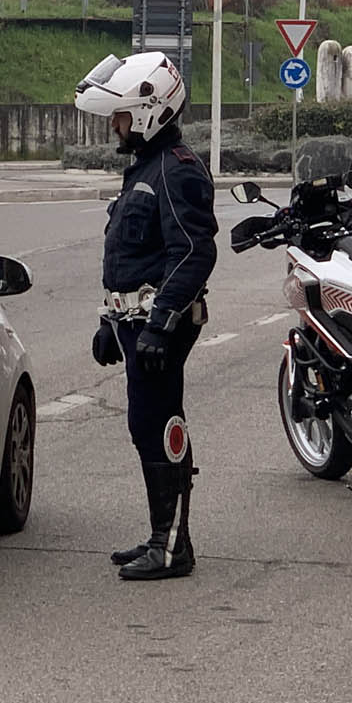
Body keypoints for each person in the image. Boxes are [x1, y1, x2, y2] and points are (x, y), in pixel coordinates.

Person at [74, 51, 218, 581]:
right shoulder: (146, 168)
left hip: (164, 327)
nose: (115, 125)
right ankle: (164, 535)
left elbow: (192, 253)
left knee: (158, 424)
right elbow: (133, 259)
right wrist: (111, 323)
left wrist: (159, 324)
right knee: (145, 424)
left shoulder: (177, 172)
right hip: (139, 325)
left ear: (151, 112)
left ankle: (173, 546)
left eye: (122, 116)